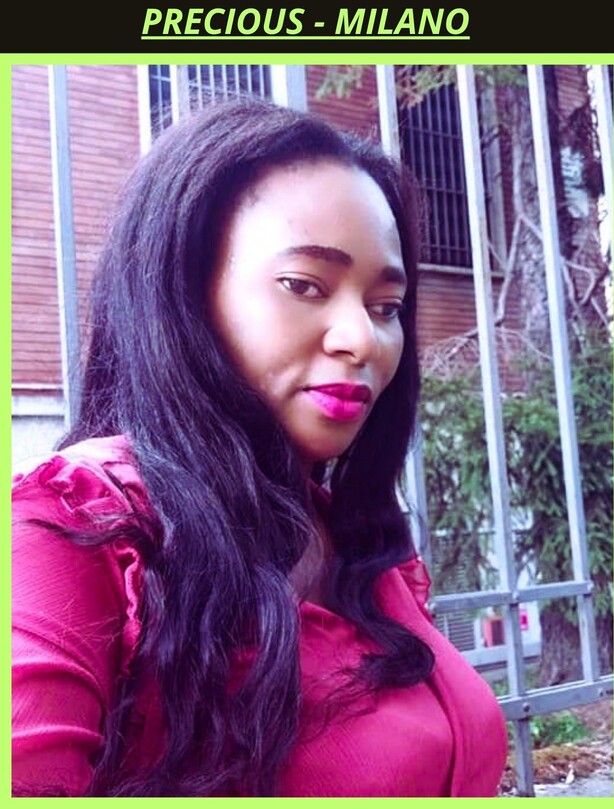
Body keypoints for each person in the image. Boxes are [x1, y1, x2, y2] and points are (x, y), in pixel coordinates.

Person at [12, 96, 507, 797]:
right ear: (185, 293)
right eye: (304, 285)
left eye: (385, 307)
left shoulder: (363, 548)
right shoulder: (74, 530)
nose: (362, 339)